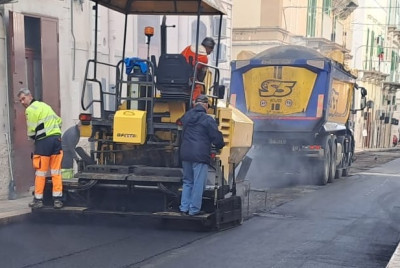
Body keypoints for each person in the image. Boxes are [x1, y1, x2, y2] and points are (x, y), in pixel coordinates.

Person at [17, 88, 63, 209]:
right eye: (20, 100)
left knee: (41, 172)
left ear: (30, 96)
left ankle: (38, 200)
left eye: (23, 98)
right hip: (57, 140)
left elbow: (32, 130)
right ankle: (58, 200)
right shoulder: (45, 105)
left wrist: (32, 138)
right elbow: (59, 120)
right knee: (56, 171)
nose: (22, 102)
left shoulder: (30, 110)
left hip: (43, 143)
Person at [179, 94, 225, 216]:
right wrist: (220, 145)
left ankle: (184, 208)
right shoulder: (207, 119)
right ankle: (194, 210)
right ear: (205, 105)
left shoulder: (186, 116)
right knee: (198, 183)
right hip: (200, 155)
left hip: (185, 153)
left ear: (195, 104)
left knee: (188, 181)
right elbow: (215, 136)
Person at [181, 37, 215, 101]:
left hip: (175, 76)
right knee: (198, 86)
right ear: (208, 47)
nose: (210, 52)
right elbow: (200, 78)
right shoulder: (204, 58)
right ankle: (193, 102)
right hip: (187, 80)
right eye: (211, 50)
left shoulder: (188, 48)